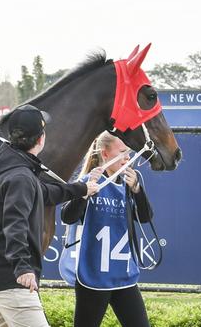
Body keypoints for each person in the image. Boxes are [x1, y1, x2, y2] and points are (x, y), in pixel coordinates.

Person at [0, 104, 99, 327]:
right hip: (13, 279)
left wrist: (81, 189)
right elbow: (14, 225)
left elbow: (44, 193)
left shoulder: (14, 169)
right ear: (40, 138)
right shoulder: (20, 176)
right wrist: (23, 267)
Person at [61, 131, 154, 327]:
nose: (127, 158)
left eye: (128, 153)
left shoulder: (129, 182)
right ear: (105, 154)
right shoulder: (90, 180)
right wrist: (85, 191)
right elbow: (67, 216)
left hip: (123, 275)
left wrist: (137, 190)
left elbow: (145, 218)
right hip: (94, 276)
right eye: (122, 153)